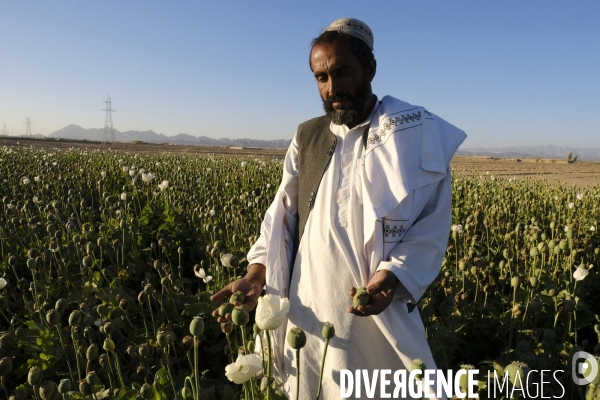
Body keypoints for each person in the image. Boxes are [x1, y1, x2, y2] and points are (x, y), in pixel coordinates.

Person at [212, 18, 466, 399]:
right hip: (309, 305)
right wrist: (256, 272)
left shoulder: (414, 134)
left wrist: (393, 277)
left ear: (371, 69)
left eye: (342, 72)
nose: (332, 89)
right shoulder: (307, 135)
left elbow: (430, 228)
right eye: (321, 77)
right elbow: (280, 216)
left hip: (376, 308)